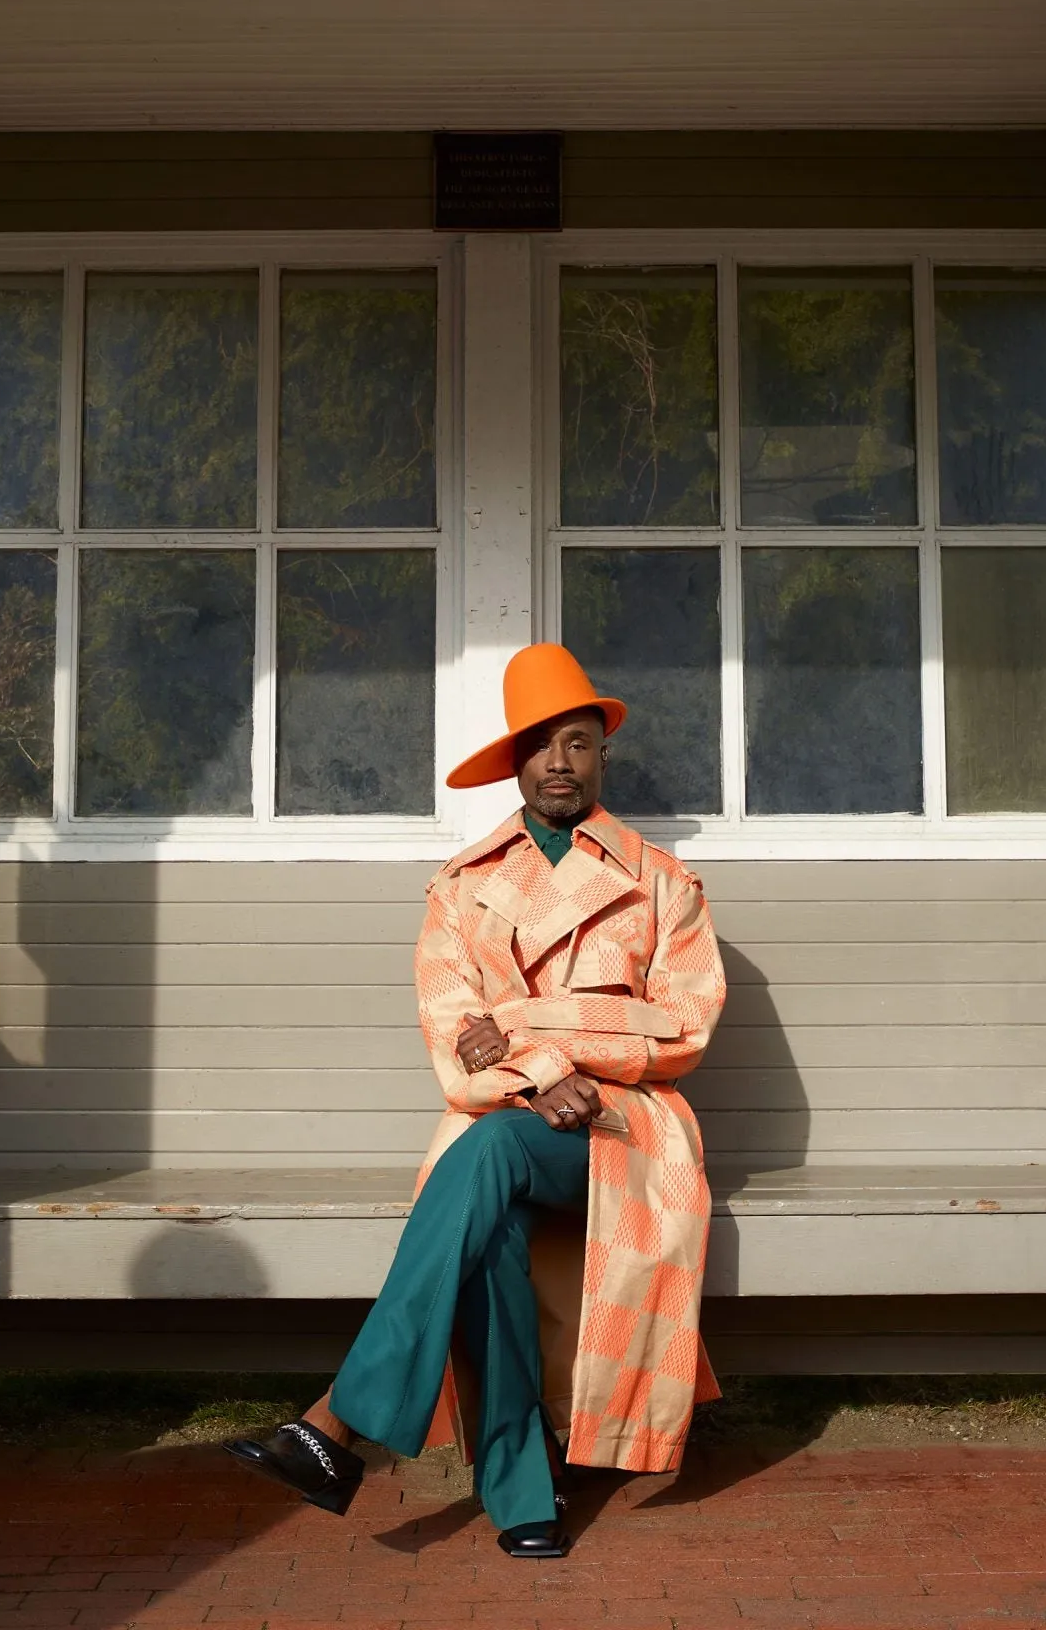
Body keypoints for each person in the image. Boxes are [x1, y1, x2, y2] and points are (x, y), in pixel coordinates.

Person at [225, 643, 727, 1559]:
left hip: (623, 1129)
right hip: (503, 1118)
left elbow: (684, 1033)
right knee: (488, 1209)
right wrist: (547, 1069)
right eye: (539, 746)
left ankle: (340, 1418)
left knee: (486, 1153)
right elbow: (458, 1060)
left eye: (577, 742)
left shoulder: (662, 883)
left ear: (603, 754)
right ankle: (523, 1495)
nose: (560, 763)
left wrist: (529, 1029)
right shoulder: (460, 889)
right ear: (515, 762)